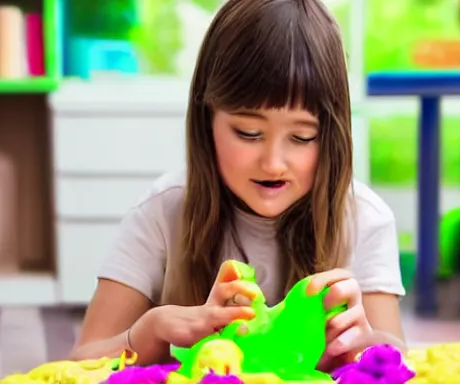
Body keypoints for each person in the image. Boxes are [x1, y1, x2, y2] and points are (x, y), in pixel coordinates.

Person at [70, 0, 406, 372]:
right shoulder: (162, 212)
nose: (273, 163)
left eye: (302, 136)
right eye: (248, 133)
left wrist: (360, 344)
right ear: (206, 117)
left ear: (331, 135)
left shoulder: (365, 218)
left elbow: (397, 359)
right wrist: (153, 331)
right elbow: (82, 360)